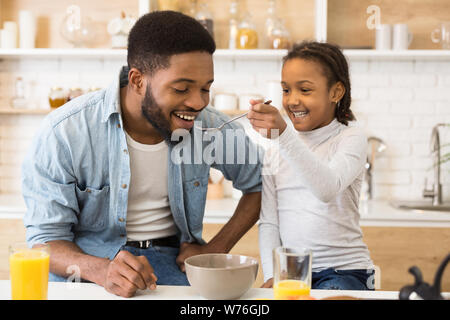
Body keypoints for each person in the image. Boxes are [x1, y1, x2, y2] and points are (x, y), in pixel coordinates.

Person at [22, 11, 262, 298]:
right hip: (87, 268)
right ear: (137, 80)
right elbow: (46, 241)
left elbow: (259, 183)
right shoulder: (65, 132)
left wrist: (215, 248)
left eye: (206, 88)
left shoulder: (208, 126)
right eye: (181, 88)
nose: (198, 102)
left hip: (174, 263)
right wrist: (101, 269)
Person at [247, 41, 375, 290]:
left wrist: (283, 135)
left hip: (345, 271)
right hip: (293, 273)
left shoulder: (350, 138)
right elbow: (270, 222)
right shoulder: (276, 151)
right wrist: (274, 274)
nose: (292, 100)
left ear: (336, 92)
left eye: (304, 90)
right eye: (286, 90)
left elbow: (326, 188)